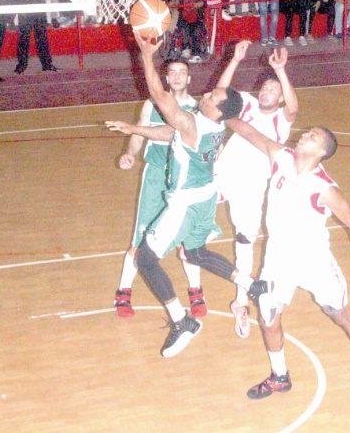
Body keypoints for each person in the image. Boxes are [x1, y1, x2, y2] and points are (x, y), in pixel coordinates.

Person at [105, 32, 273, 358]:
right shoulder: (213, 121)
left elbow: (157, 93)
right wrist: (234, 61)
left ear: (214, 109)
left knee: (146, 258)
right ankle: (253, 286)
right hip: (206, 197)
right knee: (195, 253)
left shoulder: (194, 122)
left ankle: (182, 321)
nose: (207, 93)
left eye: (211, 95)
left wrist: (145, 54)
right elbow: (174, 129)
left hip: (184, 202)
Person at [226, 118, 350, 409]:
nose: (303, 136)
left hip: (314, 262)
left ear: (321, 151)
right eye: (307, 132)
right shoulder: (281, 158)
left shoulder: (324, 188)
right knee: (268, 319)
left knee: (340, 314)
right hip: (277, 260)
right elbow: (249, 132)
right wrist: (221, 111)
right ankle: (279, 376)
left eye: (312, 136)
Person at [214, 40, 298, 338]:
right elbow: (218, 96)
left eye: (273, 90)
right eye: (264, 87)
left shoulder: (281, 120)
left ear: (279, 98)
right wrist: (235, 61)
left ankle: (239, 301)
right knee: (192, 220)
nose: (266, 91)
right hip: (220, 174)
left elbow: (294, 107)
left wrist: (281, 71)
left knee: (245, 240)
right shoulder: (247, 103)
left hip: (250, 188)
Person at [112, 58, 203, 318]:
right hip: (155, 176)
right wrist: (130, 152)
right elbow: (139, 134)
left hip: (184, 180)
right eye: (172, 72)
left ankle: (196, 292)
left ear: (189, 79)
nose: (176, 77)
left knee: (188, 240)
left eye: (182, 73)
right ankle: (123, 292)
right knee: (140, 241)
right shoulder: (151, 105)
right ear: (166, 78)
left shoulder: (197, 109)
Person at [14, 0, 59, 74]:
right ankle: (21, 65)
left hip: (39, 8)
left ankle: (47, 64)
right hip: (25, 9)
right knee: (24, 38)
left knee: (42, 38)